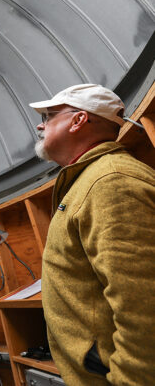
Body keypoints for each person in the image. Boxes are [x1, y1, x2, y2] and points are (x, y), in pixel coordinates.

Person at [28, 83, 155, 385]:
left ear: (78, 120)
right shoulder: (90, 180)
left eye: (48, 115)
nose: (39, 123)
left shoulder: (110, 181)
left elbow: (143, 305)